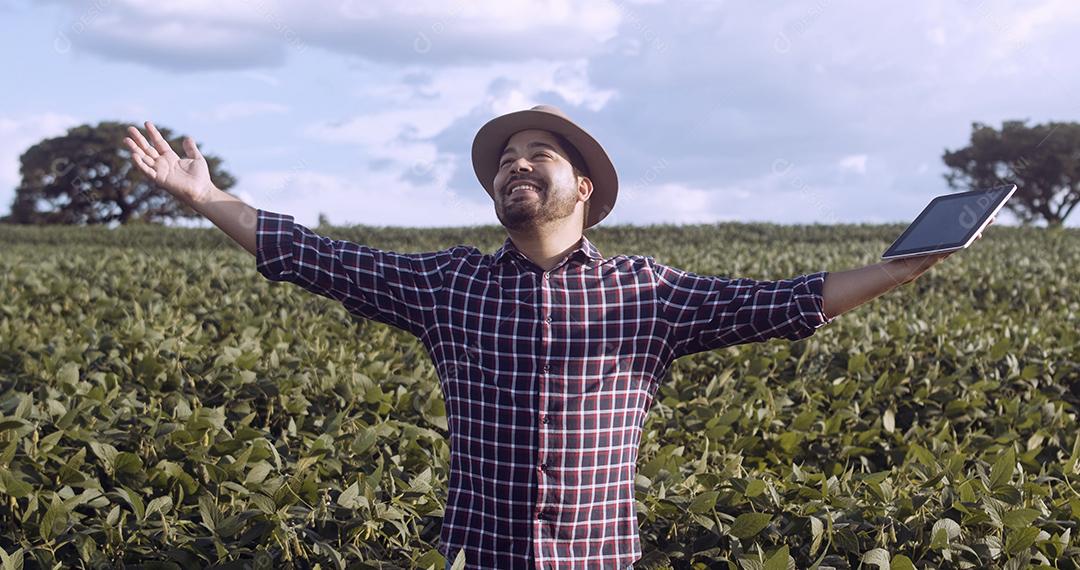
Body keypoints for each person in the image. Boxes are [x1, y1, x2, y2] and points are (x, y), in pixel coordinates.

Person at [123, 106, 990, 570]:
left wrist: (896, 270)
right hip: (475, 557)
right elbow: (315, 257)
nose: (515, 163)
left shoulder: (646, 294)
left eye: (537, 153)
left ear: (582, 187)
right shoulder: (449, 286)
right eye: (505, 157)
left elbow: (781, 302)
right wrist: (206, 200)